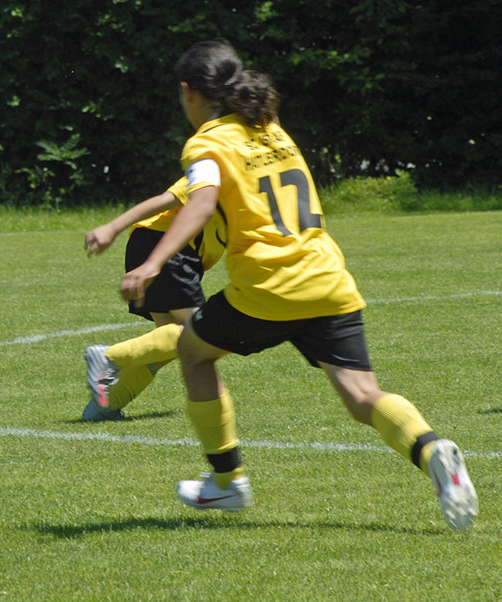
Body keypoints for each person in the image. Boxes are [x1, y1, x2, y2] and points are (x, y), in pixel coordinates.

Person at [119, 40, 477, 531]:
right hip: (327, 278)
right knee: (362, 395)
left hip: (267, 286)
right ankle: (432, 450)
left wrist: (152, 262)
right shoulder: (271, 126)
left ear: (189, 92)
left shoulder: (206, 143)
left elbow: (199, 204)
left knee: (193, 352)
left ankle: (227, 482)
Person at [81, 177, 225, 421]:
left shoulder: (249, 190)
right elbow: (165, 200)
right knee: (202, 333)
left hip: (164, 247)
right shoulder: (216, 173)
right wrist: (113, 227)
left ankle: (106, 405)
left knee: (173, 343)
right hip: (164, 244)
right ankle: (109, 356)